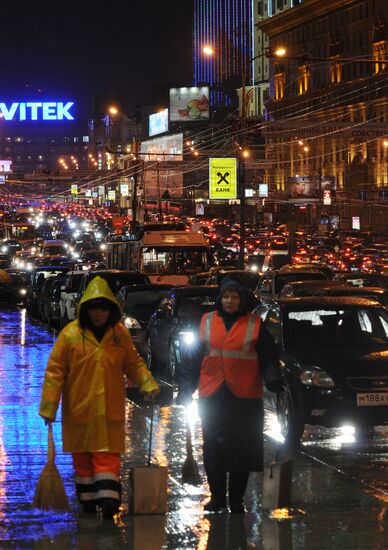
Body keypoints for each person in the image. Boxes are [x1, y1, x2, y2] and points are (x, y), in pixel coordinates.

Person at [39, 275, 160, 519]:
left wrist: (147, 384)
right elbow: (55, 371)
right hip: (79, 411)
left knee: (107, 456)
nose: (98, 314)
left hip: (109, 410)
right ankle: (87, 500)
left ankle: (108, 499)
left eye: (103, 309)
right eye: (94, 309)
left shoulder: (119, 335)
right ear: (86, 310)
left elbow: (133, 363)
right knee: (83, 461)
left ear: (110, 310)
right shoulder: (70, 335)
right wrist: (48, 408)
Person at [178, 277, 283, 513]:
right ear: (220, 298)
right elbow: (193, 361)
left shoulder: (254, 325)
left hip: (244, 397)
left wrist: (273, 377)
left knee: (242, 449)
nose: (229, 301)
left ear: (241, 299)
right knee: (213, 448)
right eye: (226, 296)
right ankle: (217, 497)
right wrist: (186, 388)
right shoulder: (206, 322)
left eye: (234, 297)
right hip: (212, 395)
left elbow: (268, 355)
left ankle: (236, 499)